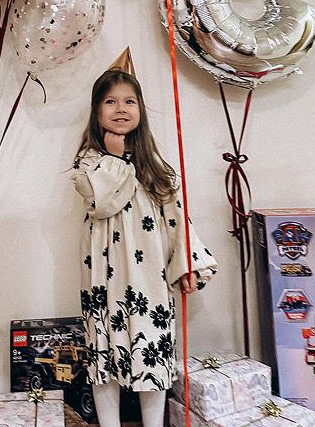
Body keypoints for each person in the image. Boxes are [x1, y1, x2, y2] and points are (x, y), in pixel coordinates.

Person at [70, 63, 217, 427]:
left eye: (129, 101)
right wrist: (115, 158)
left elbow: (177, 219)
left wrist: (188, 265)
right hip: (105, 277)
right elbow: (103, 200)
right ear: (96, 111)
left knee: (151, 354)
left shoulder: (156, 167)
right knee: (105, 355)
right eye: (110, 101)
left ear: (141, 109)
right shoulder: (87, 163)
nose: (121, 109)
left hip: (149, 278)